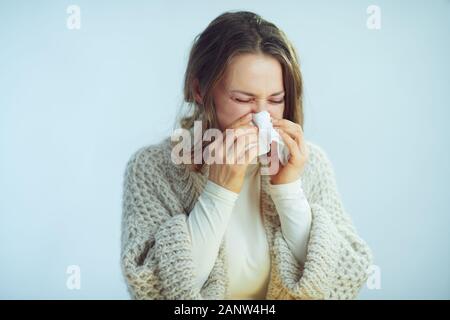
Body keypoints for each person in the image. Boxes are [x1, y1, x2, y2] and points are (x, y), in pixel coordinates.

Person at [120, 10, 372, 300]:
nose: (262, 116)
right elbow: (153, 288)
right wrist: (219, 191)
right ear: (200, 89)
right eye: (243, 99)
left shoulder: (310, 164)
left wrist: (288, 191)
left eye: (276, 100)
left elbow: (344, 277)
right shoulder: (154, 168)